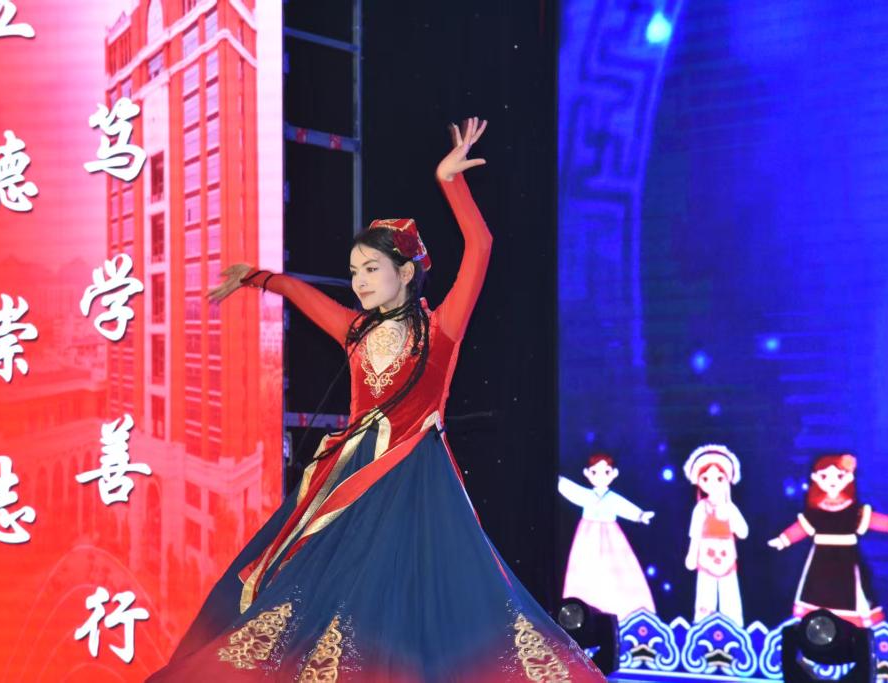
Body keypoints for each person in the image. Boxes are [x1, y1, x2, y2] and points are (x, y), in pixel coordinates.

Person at [146, 118, 606, 682]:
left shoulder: (441, 329)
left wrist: (449, 181)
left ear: (405, 271)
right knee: (320, 598)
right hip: (350, 478)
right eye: (354, 272)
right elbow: (303, 295)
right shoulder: (355, 330)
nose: (359, 281)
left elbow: (481, 246)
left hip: (416, 480)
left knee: (413, 605)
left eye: (371, 269)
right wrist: (257, 278)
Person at [768, 453, 888, 627]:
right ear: (816, 478)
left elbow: (875, 520)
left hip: (846, 559)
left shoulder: (854, 510)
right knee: (818, 594)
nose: (832, 481)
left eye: (839, 476)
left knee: (850, 593)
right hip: (820, 561)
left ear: (848, 478)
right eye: (825, 476)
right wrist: (783, 540)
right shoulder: (816, 510)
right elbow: (802, 527)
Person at [558, 453, 656, 619]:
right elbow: (572, 490)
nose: (600, 476)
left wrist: (640, 515)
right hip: (587, 536)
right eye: (595, 472)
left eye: (606, 472)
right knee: (586, 569)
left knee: (617, 570)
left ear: (614, 473)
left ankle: (622, 612)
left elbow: (624, 507)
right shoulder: (587, 495)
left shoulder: (612, 498)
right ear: (587, 473)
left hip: (611, 537)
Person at [683, 444, 748, 626]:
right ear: (699, 481)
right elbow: (695, 535)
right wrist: (691, 555)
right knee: (705, 596)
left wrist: (729, 512)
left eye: (719, 478)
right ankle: (702, 628)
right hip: (705, 556)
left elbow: (743, 532)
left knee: (730, 597)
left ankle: (734, 629)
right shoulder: (700, 508)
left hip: (727, 557)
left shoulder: (730, 508)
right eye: (706, 478)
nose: (713, 483)